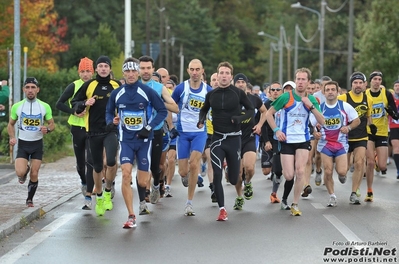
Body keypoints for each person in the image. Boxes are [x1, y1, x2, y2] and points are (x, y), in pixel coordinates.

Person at [106, 57, 167, 228]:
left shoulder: (146, 91)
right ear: (123, 73)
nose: (131, 74)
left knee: (141, 181)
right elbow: (109, 112)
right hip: (126, 141)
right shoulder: (117, 93)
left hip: (144, 142)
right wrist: (113, 122)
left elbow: (162, 111)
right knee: (125, 174)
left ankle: (148, 192)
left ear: (138, 72)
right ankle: (131, 215)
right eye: (128, 71)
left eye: (134, 71)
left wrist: (149, 127)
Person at [198, 61, 254, 221]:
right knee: (216, 174)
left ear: (231, 76)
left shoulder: (238, 93)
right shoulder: (212, 94)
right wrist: (201, 120)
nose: (223, 76)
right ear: (218, 75)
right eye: (221, 73)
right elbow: (204, 109)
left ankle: (232, 170)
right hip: (217, 139)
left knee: (234, 178)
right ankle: (222, 209)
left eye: (227, 73)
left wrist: (239, 118)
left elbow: (250, 110)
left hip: (234, 139)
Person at [265, 67, 324, 216]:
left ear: (308, 81)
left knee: (300, 172)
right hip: (286, 140)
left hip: (303, 140)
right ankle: (284, 197)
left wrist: (310, 106)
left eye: (303, 79)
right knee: (289, 175)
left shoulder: (311, 99)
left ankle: (295, 204)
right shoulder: (286, 97)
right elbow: (268, 114)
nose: (300, 82)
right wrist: (277, 130)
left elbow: (322, 120)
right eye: (298, 79)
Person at [71, 55, 120, 216]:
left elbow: (125, 103)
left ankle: (107, 191)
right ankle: (98, 196)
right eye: (101, 66)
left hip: (111, 130)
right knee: (97, 166)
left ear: (110, 69)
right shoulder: (89, 85)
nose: (103, 69)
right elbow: (75, 104)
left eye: (106, 66)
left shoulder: (116, 85)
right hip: (93, 131)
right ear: (96, 69)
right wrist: (85, 103)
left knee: (111, 161)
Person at [171, 58, 212, 216]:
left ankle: (189, 203)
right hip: (183, 133)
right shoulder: (181, 88)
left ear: (202, 71)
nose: (195, 73)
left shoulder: (208, 90)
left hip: (199, 133)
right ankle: (188, 174)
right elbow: (169, 106)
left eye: (198, 69)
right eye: (192, 69)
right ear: (188, 71)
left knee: (194, 164)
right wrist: (171, 126)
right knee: (183, 171)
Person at [7, 77, 55, 207]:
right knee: (20, 173)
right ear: (23, 89)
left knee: (35, 173)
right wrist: (12, 137)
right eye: (27, 87)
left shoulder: (44, 106)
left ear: (37, 90)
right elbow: (10, 124)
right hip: (23, 144)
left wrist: (47, 129)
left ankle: (30, 199)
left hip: (37, 144)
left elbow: (52, 124)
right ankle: (25, 169)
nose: (30, 90)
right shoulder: (17, 106)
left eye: (33, 87)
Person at [311, 81, 360, 207]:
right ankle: (332, 196)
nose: (331, 92)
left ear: (337, 92)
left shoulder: (344, 106)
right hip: (325, 144)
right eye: (328, 90)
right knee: (327, 171)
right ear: (324, 92)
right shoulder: (319, 108)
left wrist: (348, 128)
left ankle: (342, 175)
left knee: (342, 171)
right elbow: (311, 124)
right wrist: (315, 133)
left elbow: (357, 120)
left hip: (341, 144)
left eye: (333, 89)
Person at [138, 55, 178, 205]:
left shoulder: (160, 88)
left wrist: (159, 102)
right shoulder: (134, 86)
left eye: (148, 68)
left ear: (153, 69)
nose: (146, 71)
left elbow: (175, 108)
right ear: (138, 70)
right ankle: (143, 199)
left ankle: (156, 184)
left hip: (156, 131)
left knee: (156, 167)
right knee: (142, 165)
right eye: (143, 68)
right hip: (139, 132)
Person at [56, 57, 95, 210]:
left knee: (90, 161)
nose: (85, 74)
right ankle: (84, 182)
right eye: (83, 71)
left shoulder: (96, 85)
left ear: (92, 72)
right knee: (80, 164)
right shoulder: (74, 86)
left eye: (88, 71)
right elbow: (59, 104)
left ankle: (89, 194)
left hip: (92, 128)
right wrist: (73, 111)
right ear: (79, 72)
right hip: (77, 128)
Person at [232, 73, 267, 210]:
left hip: (249, 138)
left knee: (250, 168)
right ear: (234, 84)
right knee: (236, 173)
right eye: (238, 82)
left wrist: (259, 125)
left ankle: (248, 182)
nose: (240, 84)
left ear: (246, 84)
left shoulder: (254, 99)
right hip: (234, 139)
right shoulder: (230, 99)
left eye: (242, 82)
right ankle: (239, 197)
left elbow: (265, 112)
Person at [337, 72, 374, 204]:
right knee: (343, 170)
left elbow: (368, 116)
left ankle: (354, 193)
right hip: (345, 137)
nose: (358, 85)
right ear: (351, 84)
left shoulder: (368, 98)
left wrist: (372, 126)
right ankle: (343, 174)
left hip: (361, 136)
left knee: (359, 163)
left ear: (364, 84)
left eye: (360, 83)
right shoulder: (343, 98)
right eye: (355, 83)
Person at [364, 71, 398, 202]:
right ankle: (369, 190)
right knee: (370, 162)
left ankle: (379, 161)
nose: (377, 81)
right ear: (370, 81)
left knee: (383, 166)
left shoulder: (387, 94)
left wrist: (390, 111)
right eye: (375, 79)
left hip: (382, 132)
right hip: (368, 131)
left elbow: (396, 114)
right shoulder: (365, 94)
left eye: (379, 79)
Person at [260, 82, 286, 204]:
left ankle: (274, 193)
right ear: (269, 92)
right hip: (268, 139)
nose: (275, 91)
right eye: (273, 90)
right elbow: (263, 125)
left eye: (278, 89)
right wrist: (266, 141)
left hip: (280, 139)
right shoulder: (266, 105)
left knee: (278, 170)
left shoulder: (286, 104)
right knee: (266, 170)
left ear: (282, 91)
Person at [389, 80, 399, 179]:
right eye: (396, 86)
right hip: (393, 126)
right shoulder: (390, 99)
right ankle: (398, 170)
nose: (397, 87)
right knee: (396, 148)